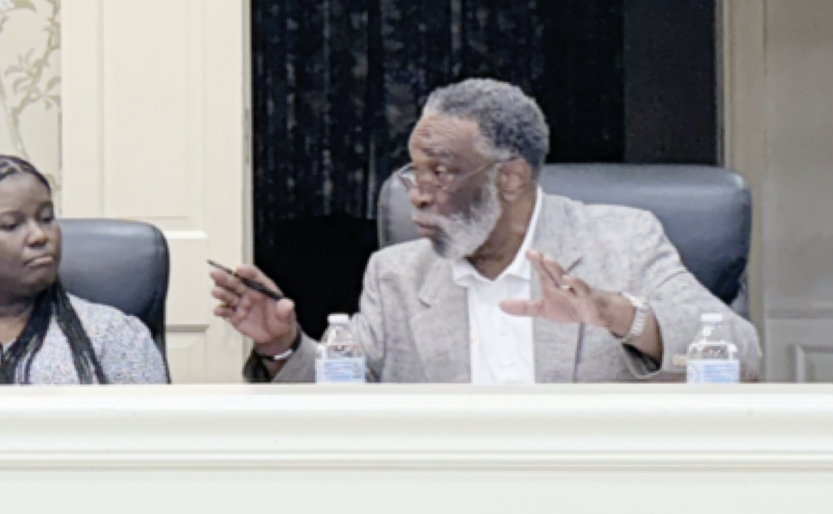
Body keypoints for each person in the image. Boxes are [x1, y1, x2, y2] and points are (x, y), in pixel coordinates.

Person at [211, 78, 761, 383]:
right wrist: (281, 345)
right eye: (414, 172)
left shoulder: (622, 241)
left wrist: (614, 313)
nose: (418, 193)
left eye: (441, 172)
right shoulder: (396, 275)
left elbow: (742, 355)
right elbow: (343, 398)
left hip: (596, 498)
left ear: (510, 178)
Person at [0, 155, 169, 385]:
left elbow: (153, 410)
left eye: (46, 218)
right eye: (12, 225)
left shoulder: (113, 336)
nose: (39, 236)